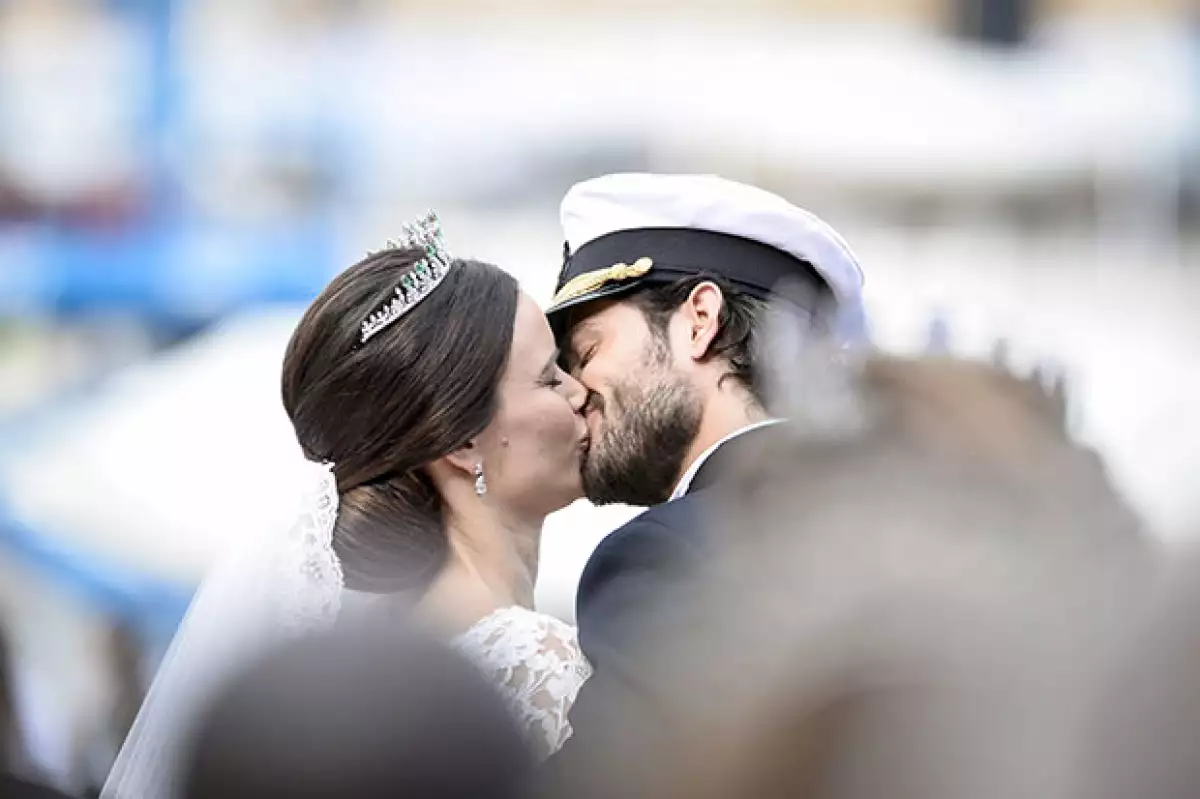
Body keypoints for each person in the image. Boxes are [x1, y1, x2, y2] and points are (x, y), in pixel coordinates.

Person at [104, 212, 593, 798]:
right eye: (549, 378)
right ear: (463, 442)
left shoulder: (357, 675)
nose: (580, 392)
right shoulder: (537, 670)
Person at [541, 173, 866, 759]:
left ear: (699, 319)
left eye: (587, 351)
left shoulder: (667, 555)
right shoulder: (907, 517)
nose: (576, 391)